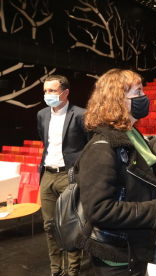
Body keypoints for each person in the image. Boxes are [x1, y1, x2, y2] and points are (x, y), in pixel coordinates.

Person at [74, 69, 156, 276]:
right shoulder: (101, 146)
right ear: (117, 100)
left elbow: (133, 179)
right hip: (116, 255)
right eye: (137, 92)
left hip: (134, 247)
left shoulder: (131, 133)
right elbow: (99, 210)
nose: (144, 97)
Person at [37, 75, 89, 276]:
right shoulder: (42, 114)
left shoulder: (81, 115)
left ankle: (72, 270)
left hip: (70, 176)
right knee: (49, 226)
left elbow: (89, 147)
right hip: (48, 176)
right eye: (45, 91)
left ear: (65, 92)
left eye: (52, 91)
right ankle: (55, 269)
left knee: (71, 225)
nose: (48, 94)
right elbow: (45, 143)